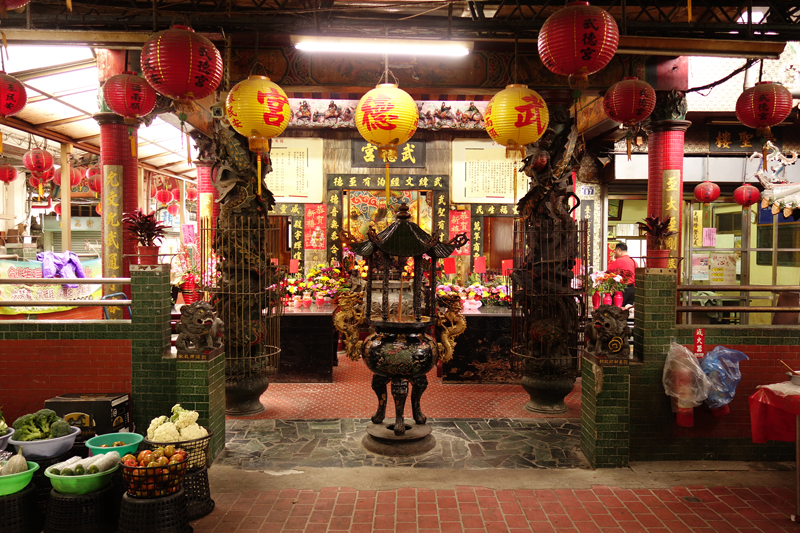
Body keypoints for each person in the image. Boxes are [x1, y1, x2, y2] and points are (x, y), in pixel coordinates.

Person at [607, 242, 637, 307]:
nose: (615, 253)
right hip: (632, 289)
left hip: (622, 290)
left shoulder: (619, 261)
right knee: (628, 310)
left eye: (615, 251)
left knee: (616, 310)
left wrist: (613, 261)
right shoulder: (634, 261)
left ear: (619, 250)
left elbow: (608, 271)